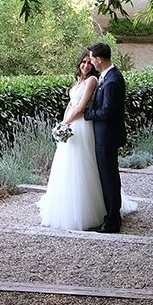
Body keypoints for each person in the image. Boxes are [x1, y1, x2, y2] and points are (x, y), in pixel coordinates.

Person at [38, 55, 107, 231]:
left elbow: (80, 107)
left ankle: (86, 210)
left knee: (82, 165)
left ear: (93, 65)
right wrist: (63, 123)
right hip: (70, 124)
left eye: (88, 63)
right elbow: (70, 104)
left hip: (82, 125)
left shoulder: (91, 80)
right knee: (66, 165)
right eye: (82, 62)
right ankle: (65, 205)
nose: (85, 65)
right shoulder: (77, 82)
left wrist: (65, 124)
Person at [82, 42, 129, 232]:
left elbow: (107, 112)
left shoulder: (112, 81)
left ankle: (112, 221)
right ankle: (110, 216)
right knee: (108, 177)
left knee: (109, 178)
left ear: (99, 60)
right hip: (104, 136)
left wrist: (88, 114)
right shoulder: (107, 76)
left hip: (107, 137)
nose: (91, 62)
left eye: (92, 58)